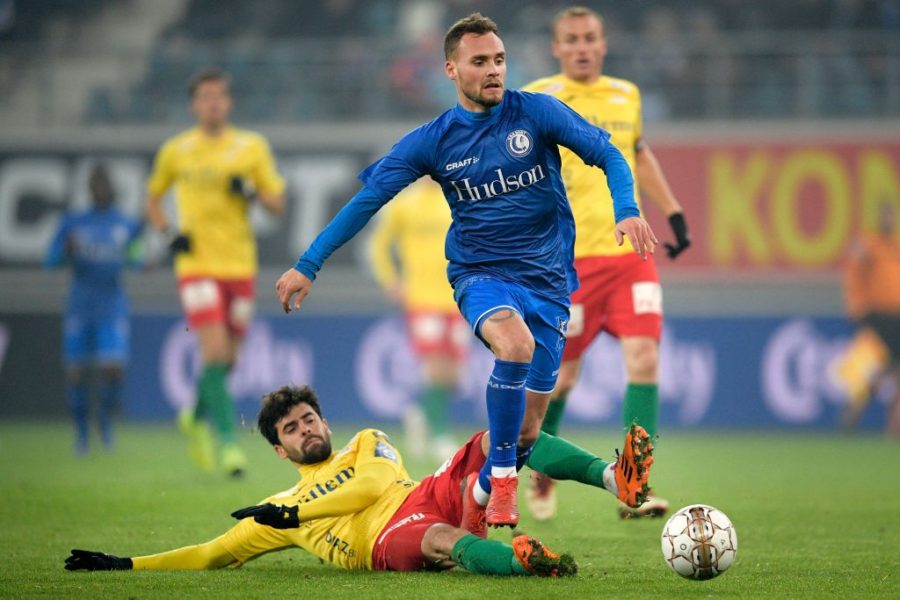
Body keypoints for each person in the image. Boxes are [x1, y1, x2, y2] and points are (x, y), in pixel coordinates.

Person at [275, 13, 657, 530]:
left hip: (549, 283)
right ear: (451, 70)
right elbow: (367, 202)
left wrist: (627, 207)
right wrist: (308, 263)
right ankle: (502, 486)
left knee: (527, 434)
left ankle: (546, 484)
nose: (494, 70)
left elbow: (610, 153)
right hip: (481, 275)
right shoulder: (433, 141)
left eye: (499, 60)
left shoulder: (538, 113)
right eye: (480, 62)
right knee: (514, 348)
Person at [64, 384, 655, 576]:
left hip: (423, 494)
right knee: (435, 540)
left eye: (310, 419)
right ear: (280, 449)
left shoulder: (366, 443)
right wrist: (126, 566)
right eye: (293, 430)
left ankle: (616, 479)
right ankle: (526, 564)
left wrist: (296, 516)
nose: (306, 430)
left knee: (499, 438)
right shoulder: (278, 507)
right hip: (383, 543)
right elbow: (212, 554)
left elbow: (374, 488)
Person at [521, 6, 691, 520]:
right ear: (556, 48)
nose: (580, 47)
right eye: (570, 39)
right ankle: (543, 472)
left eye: (589, 38)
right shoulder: (537, 98)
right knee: (563, 377)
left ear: (603, 43)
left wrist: (675, 211)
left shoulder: (626, 94)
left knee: (644, 358)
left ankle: (635, 485)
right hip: (566, 265)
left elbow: (638, 155)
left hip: (628, 257)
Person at [146, 68, 286, 477]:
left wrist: (251, 193)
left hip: (239, 266)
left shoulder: (250, 147)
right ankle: (228, 445)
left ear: (228, 102)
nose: (213, 103)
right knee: (213, 351)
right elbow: (152, 200)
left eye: (219, 96)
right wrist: (168, 233)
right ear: (194, 104)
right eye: (205, 97)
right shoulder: (177, 150)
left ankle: (193, 412)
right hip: (197, 267)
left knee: (228, 360)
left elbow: (277, 203)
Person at [367, 177, 468, 463]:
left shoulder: (457, 198)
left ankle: (421, 414)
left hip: (457, 297)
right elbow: (379, 244)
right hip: (422, 298)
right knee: (436, 366)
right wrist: (390, 281)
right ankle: (438, 434)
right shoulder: (405, 203)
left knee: (455, 375)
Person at [45, 165, 143, 455]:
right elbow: (49, 261)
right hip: (80, 306)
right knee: (76, 372)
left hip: (112, 306)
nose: (100, 188)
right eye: (95, 183)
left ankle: (104, 422)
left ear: (111, 186)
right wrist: (65, 250)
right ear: (89, 188)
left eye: (104, 182)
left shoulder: (125, 224)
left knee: (112, 369)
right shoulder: (73, 223)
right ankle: (82, 435)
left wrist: (143, 259)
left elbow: (136, 257)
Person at [840, 203, 900, 437]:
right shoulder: (868, 244)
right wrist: (856, 306)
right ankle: (850, 418)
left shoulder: (895, 246)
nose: (889, 219)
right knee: (866, 371)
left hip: (898, 319)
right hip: (876, 317)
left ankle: (892, 429)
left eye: (892, 215)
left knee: (895, 373)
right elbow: (854, 275)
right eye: (885, 214)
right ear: (878, 218)